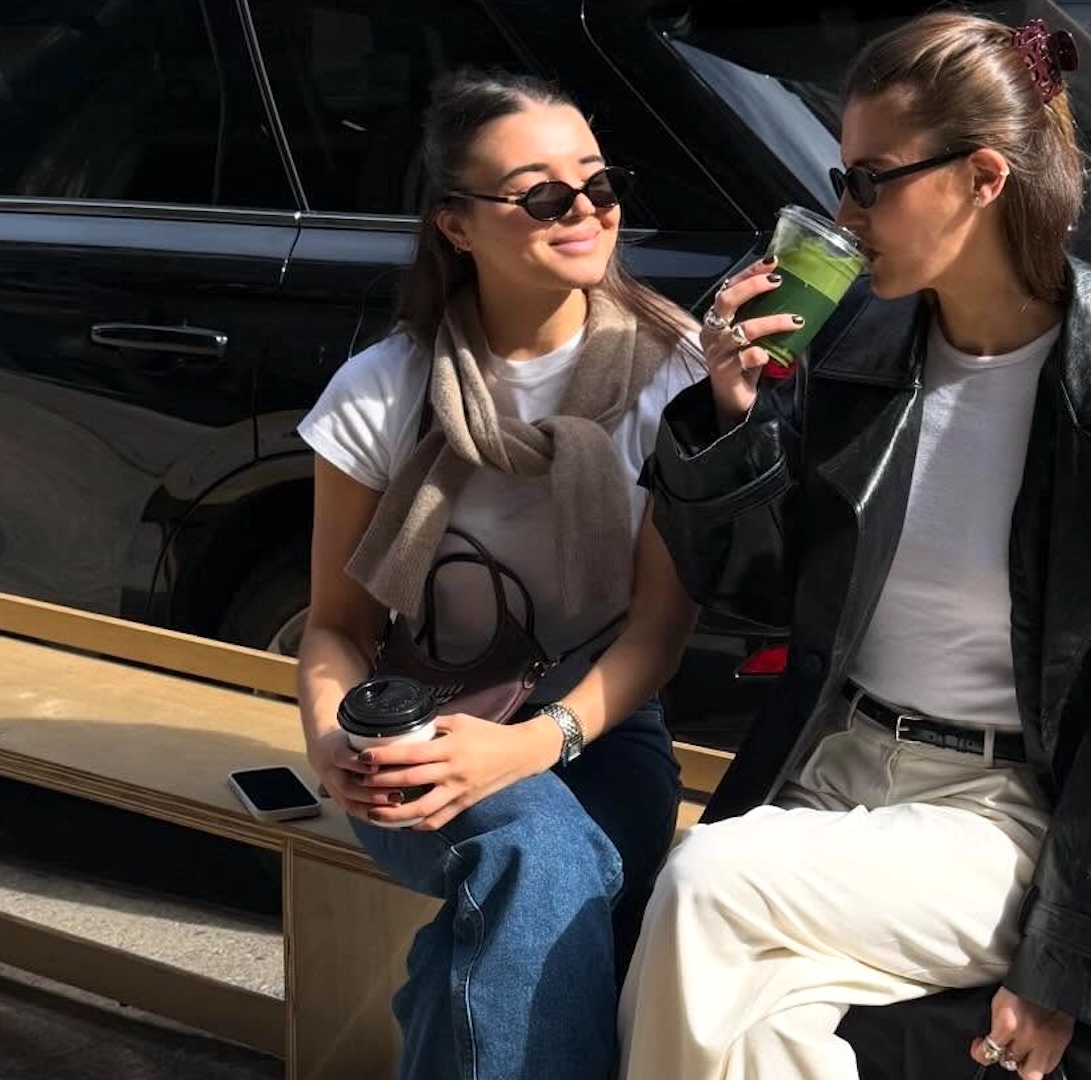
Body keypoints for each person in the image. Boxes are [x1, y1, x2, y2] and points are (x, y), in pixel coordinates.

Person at [620, 13, 1091, 1080]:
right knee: (769, 1040)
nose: (843, 216)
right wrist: (729, 421)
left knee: (707, 884)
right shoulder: (861, 351)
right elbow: (757, 590)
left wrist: (1070, 967)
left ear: (983, 177)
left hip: (1002, 818)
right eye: (840, 179)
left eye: (870, 181)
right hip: (836, 769)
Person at [294, 69, 699, 1080]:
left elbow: (658, 629)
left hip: (601, 731)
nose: (585, 211)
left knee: (520, 895)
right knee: (540, 858)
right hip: (417, 729)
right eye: (543, 194)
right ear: (457, 225)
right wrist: (330, 738)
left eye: (598, 184)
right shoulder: (385, 388)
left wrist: (531, 744)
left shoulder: (674, 372)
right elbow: (337, 624)